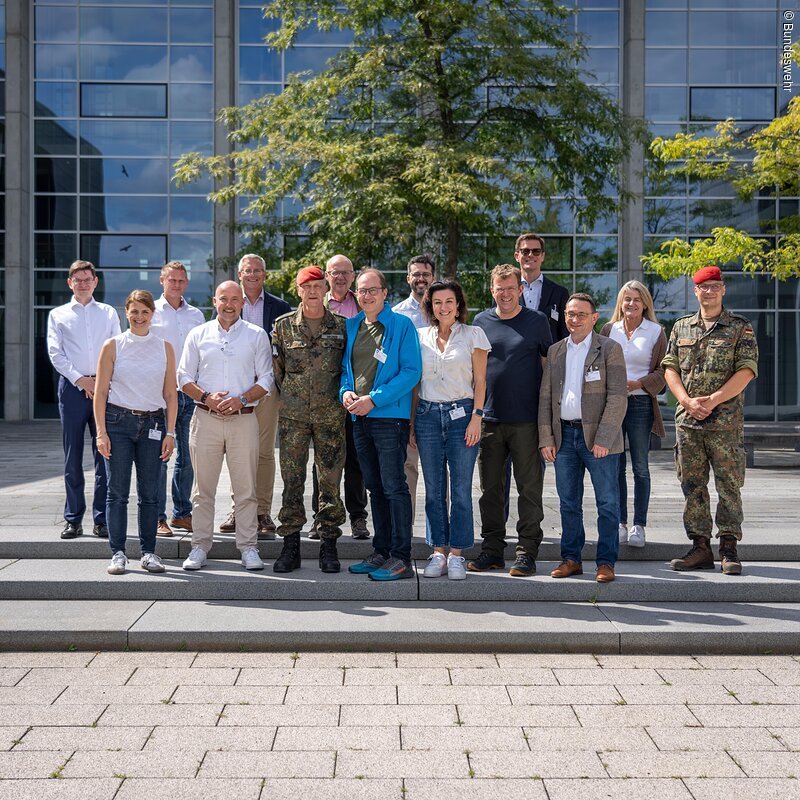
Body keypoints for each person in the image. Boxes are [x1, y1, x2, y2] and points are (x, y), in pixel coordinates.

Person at [663, 266, 758, 576]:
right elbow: (670, 369)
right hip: (689, 423)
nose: (709, 291)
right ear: (696, 291)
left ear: (723, 289)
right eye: (704, 287)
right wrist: (687, 402)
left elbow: (746, 371)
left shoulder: (739, 327)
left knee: (729, 486)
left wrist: (714, 400)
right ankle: (700, 547)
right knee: (693, 487)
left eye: (715, 286)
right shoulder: (681, 328)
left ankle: (728, 548)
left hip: (725, 424)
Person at [177, 281, 274, 572]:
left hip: (244, 419)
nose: (229, 304)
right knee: (202, 489)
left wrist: (241, 398)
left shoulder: (256, 335)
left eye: (235, 299)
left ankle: (248, 547)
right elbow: (183, 376)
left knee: (246, 489)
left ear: (242, 302)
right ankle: (199, 546)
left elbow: (266, 379)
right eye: (223, 299)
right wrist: (206, 396)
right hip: (205, 418)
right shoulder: (198, 334)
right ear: (214, 301)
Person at [468, 264, 552, 577]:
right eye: (499, 289)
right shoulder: (481, 322)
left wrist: (548, 420)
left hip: (526, 422)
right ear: (492, 291)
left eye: (510, 288)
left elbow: (548, 367)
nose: (505, 294)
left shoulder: (537, 321)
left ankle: (526, 552)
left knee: (529, 489)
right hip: (489, 419)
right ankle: (492, 550)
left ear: (520, 290)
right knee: (490, 490)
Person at [539, 293, 628, 583]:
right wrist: (546, 438)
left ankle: (605, 562)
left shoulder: (610, 349)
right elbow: (545, 398)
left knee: (607, 503)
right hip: (565, 437)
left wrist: (604, 437)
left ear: (594, 318)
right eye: (569, 314)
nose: (573, 319)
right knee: (568, 503)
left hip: (599, 440)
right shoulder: (555, 351)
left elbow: (617, 397)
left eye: (580, 314)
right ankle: (571, 559)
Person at [342, 268, 422, 581]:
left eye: (373, 289)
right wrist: (345, 392)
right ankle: (381, 550)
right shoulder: (351, 326)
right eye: (361, 290)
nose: (367, 295)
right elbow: (347, 372)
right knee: (374, 487)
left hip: (389, 418)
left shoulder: (401, 325)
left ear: (385, 293)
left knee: (394, 487)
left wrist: (374, 399)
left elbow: (411, 372)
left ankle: (400, 557)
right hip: (359, 417)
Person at [271, 266, 348, 574]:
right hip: (294, 417)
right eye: (307, 286)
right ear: (298, 291)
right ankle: (291, 545)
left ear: (326, 289)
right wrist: (293, 396)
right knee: (292, 482)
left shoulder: (341, 327)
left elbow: (346, 369)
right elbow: (278, 370)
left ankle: (328, 544)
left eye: (318, 285)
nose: (313, 291)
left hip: (330, 415)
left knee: (330, 481)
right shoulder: (283, 326)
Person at [94, 291, 177, 575]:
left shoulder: (165, 347)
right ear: (125, 313)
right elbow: (101, 392)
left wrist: (171, 432)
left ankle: (149, 553)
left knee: (150, 494)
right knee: (116, 493)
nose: (139, 317)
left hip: (153, 425)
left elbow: (170, 393)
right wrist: (101, 433)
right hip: (117, 423)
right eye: (134, 312)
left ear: (152, 314)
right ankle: (118, 553)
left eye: (144, 312)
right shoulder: (113, 345)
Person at [413, 280, 490, 580]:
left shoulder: (474, 334)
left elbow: (481, 382)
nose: (443, 307)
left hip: (463, 417)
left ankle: (457, 554)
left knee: (460, 489)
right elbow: (416, 385)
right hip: (427, 416)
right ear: (430, 307)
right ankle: (437, 552)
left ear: (458, 305)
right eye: (437, 302)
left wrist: (477, 417)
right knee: (433, 490)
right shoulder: (420, 336)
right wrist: (411, 423)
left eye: (449, 302)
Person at [47, 260, 121, 540]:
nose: (83, 283)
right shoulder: (58, 315)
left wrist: (100, 382)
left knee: (104, 454)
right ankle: (73, 519)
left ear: (95, 281)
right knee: (72, 456)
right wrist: (81, 380)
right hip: (72, 389)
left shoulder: (108, 313)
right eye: (77, 279)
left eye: (87, 278)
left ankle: (101, 520)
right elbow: (56, 354)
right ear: (70, 283)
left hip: (104, 389)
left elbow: (117, 349)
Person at [218, 254, 291, 540]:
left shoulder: (281, 307)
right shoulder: (226, 304)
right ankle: (239, 510)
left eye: (257, 270)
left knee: (262, 453)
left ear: (264, 275)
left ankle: (261, 511)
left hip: (267, 389)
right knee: (238, 451)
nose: (252, 274)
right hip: (236, 388)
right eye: (247, 270)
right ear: (239, 274)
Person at [600, 281, 667, 549]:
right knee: (615, 467)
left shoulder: (655, 331)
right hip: (613, 405)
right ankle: (621, 523)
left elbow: (664, 371)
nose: (631, 304)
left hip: (640, 405)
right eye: (627, 299)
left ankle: (639, 525)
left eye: (637, 300)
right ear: (621, 302)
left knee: (640, 467)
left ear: (645, 304)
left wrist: (638, 384)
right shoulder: (608, 330)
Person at [311, 253, 370, 539]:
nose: (341, 277)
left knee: (357, 460)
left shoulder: (365, 305)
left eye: (346, 272)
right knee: (323, 461)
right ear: (326, 275)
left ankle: (358, 517)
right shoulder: (315, 304)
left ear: (353, 275)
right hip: (323, 396)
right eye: (335, 272)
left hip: (357, 395)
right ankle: (319, 517)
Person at [150, 261, 206, 537]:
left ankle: (182, 514)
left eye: (181, 281)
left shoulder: (196, 315)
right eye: (172, 280)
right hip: (160, 395)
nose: (177, 285)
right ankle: (157, 517)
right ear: (162, 281)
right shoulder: (151, 313)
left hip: (189, 394)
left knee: (188, 457)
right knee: (160, 457)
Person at [393, 254, 436, 522]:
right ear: (408, 278)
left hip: (437, 398)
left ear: (433, 278)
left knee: (436, 472)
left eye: (426, 274)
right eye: (416, 274)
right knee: (407, 467)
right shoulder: (397, 315)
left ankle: (438, 536)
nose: (421, 279)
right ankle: (404, 534)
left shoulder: (443, 309)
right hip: (407, 400)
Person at [513, 233, 569, 342]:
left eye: (536, 251)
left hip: (549, 357)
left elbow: (565, 334)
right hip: (516, 358)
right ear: (517, 256)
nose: (530, 255)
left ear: (542, 256)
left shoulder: (559, 293)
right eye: (525, 251)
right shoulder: (504, 293)